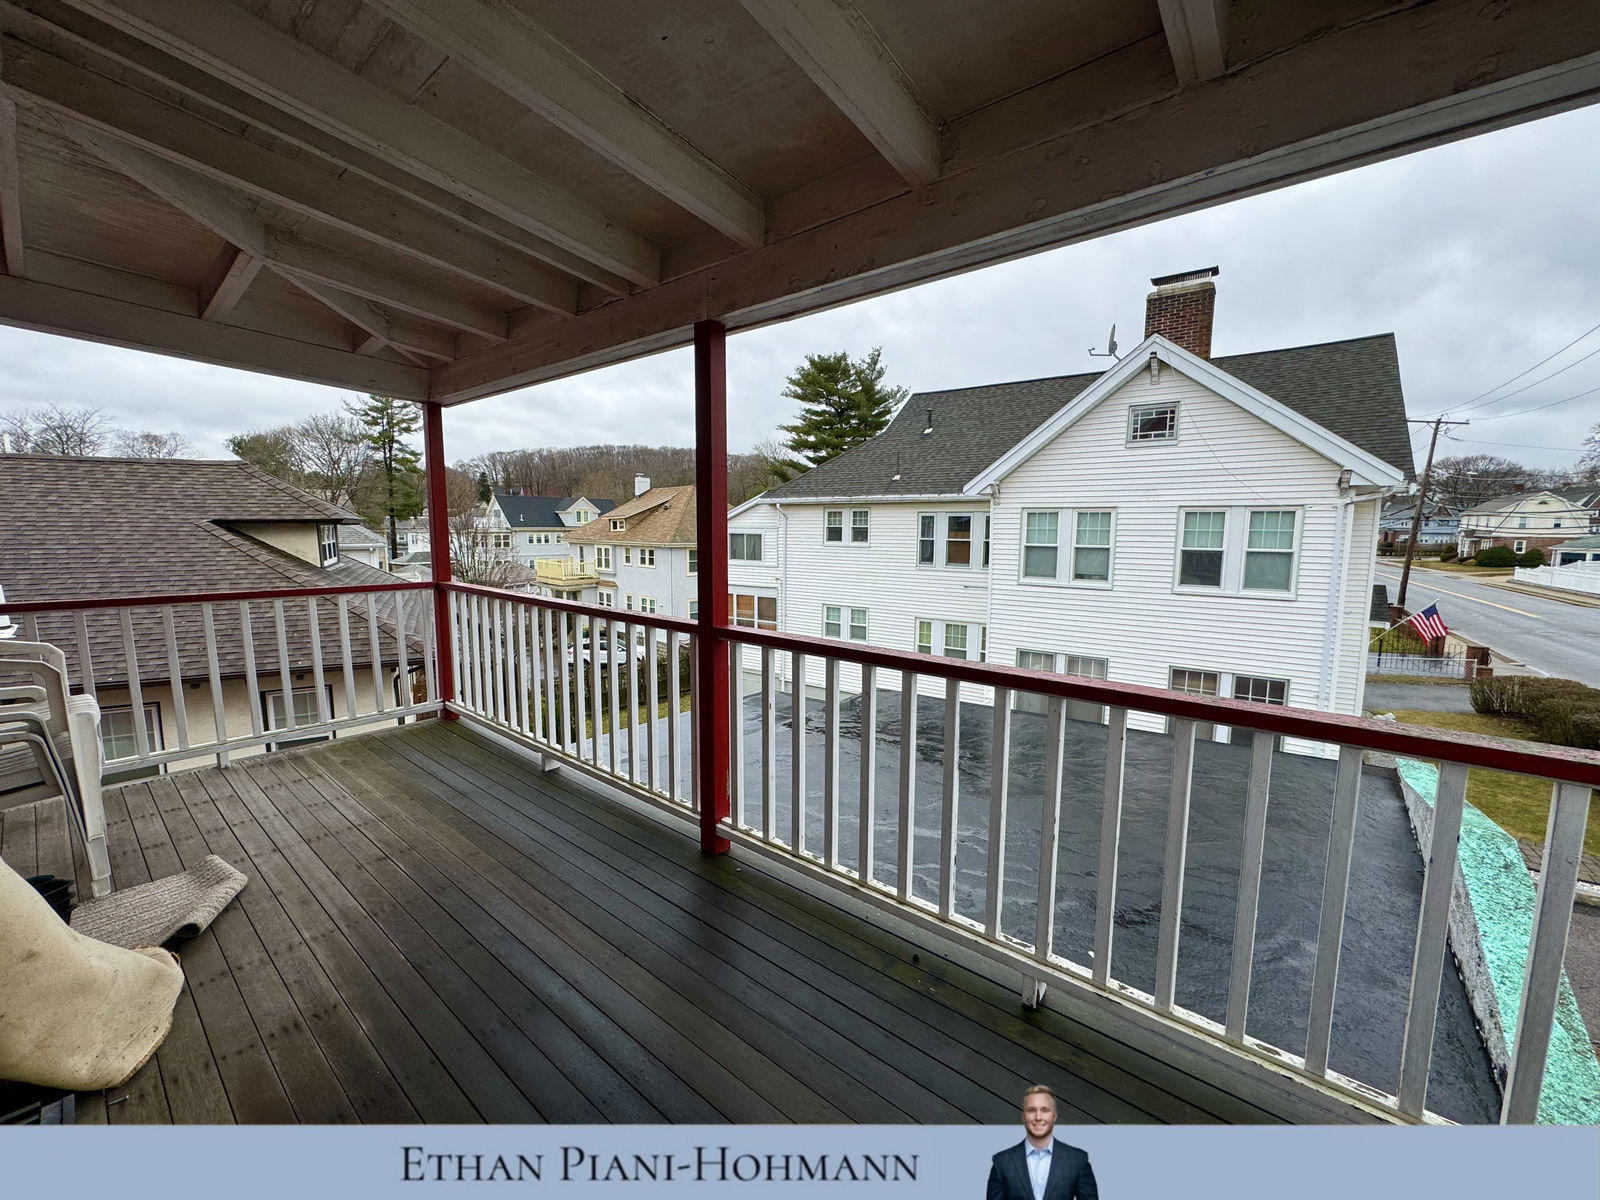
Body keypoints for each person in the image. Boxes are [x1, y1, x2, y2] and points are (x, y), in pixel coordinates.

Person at [986, 1085, 1098, 1200]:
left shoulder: (1077, 1160)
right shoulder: (1002, 1162)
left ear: (1054, 1116)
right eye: (1031, 1110)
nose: (1038, 1117)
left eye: (1045, 1110)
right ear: (1023, 1116)